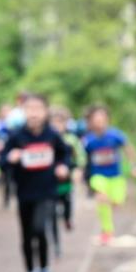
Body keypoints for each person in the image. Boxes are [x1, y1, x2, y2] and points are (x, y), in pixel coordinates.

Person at [0, 93, 71, 272]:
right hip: (24, 193)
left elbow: (65, 154)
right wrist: (10, 158)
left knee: (40, 229)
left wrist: (63, 167)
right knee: (27, 235)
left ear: (46, 111)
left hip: (47, 191)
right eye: (29, 109)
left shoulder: (52, 135)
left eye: (38, 109)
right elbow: (1, 161)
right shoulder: (17, 136)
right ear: (23, 112)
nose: (34, 113)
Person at [82, 104, 136, 245]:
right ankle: (107, 231)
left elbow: (129, 149)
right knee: (102, 199)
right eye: (96, 118)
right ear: (90, 122)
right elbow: (81, 158)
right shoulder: (87, 140)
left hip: (116, 176)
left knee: (116, 202)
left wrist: (134, 166)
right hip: (98, 176)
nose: (99, 121)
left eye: (102, 118)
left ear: (107, 119)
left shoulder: (116, 135)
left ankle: (108, 225)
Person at [48, 105, 84, 257]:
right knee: (51, 214)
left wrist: (78, 170)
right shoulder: (46, 139)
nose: (57, 126)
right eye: (53, 122)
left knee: (67, 201)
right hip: (49, 181)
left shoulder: (71, 140)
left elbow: (80, 157)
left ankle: (68, 218)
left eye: (60, 122)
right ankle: (56, 245)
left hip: (66, 179)